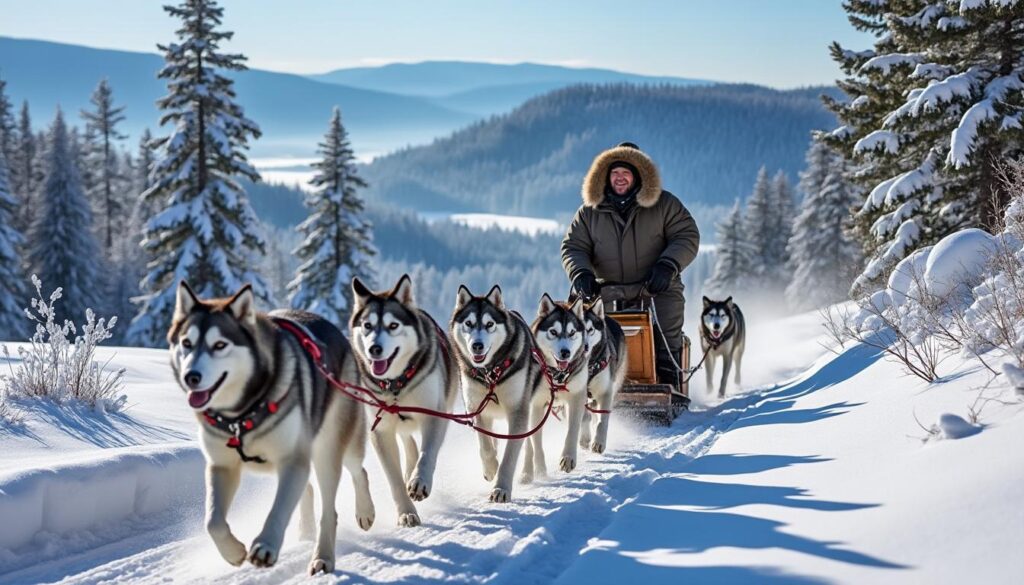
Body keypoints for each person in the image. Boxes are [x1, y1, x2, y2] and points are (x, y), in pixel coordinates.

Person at [561, 142, 700, 383]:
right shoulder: (588, 212)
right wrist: (581, 273)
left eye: (626, 172)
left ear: (639, 176)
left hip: (657, 286)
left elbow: (686, 235)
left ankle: (669, 379)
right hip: (605, 289)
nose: (620, 178)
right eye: (615, 173)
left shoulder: (665, 204)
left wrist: (668, 265)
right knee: (583, 332)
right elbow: (573, 247)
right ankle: (586, 381)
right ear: (605, 176)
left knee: (667, 329)